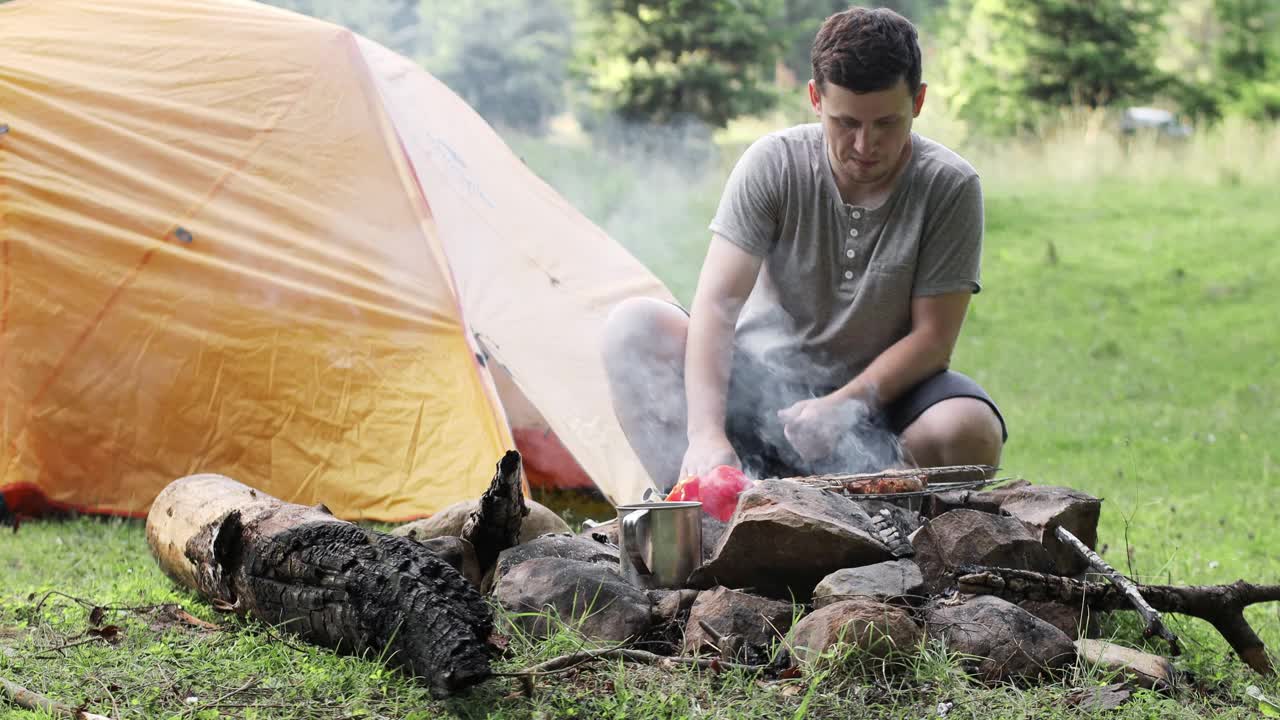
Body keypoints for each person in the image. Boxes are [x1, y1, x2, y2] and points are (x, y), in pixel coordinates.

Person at [602, 6, 1007, 491]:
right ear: (815, 99)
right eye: (846, 122)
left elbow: (933, 340)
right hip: (758, 393)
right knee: (633, 328)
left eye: (886, 123)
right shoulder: (773, 164)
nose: (865, 144)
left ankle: (877, 528)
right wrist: (706, 433)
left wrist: (843, 406)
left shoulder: (950, 186)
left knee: (967, 428)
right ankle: (701, 512)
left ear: (918, 101)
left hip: (881, 411)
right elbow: (718, 303)